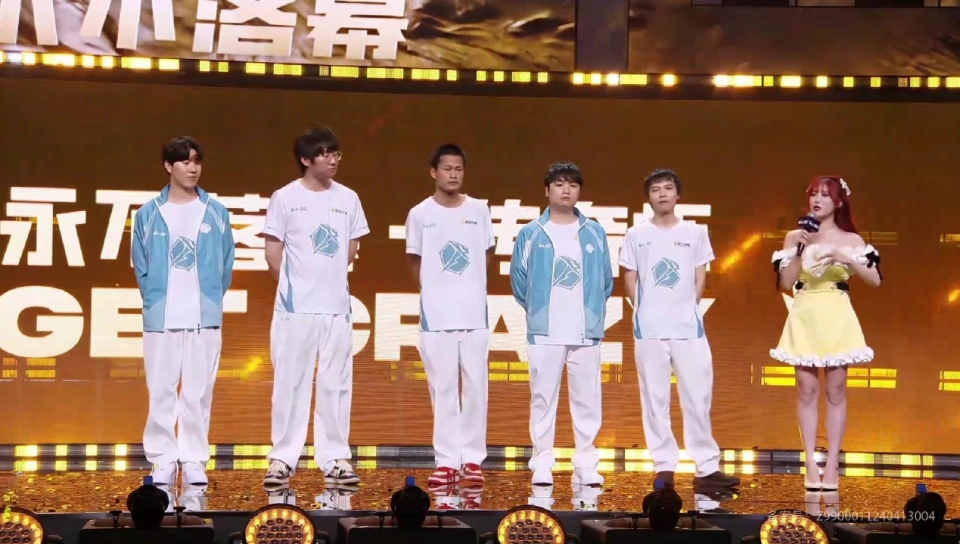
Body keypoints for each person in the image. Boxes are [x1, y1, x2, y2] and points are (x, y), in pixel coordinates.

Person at [261, 127, 369, 487]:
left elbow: (350, 249)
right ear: (306, 159)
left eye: (336, 153)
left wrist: (327, 282)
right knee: (290, 384)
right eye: (324, 153)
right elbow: (273, 253)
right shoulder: (285, 197)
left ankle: (335, 458)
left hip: (336, 308)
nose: (333, 159)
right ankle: (282, 458)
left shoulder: (348, 198)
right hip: (295, 309)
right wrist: (296, 288)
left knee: (336, 385)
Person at [619, 168, 739, 490]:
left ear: (677, 194)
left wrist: (688, 307)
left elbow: (700, 275)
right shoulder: (636, 234)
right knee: (654, 399)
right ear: (648, 197)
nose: (662, 193)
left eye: (668, 188)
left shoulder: (695, 232)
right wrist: (643, 309)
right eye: (656, 189)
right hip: (650, 328)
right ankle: (664, 467)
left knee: (697, 396)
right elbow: (629, 276)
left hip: (688, 327)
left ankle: (706, 467)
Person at [133, 136, 235, 487]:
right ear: (168, 166)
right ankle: (162, 459)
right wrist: (155, 302)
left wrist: (210, 300)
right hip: (161, 318)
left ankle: (193, 459)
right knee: (161, 391)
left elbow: (226, 264)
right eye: (185, 162)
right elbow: (141, 266)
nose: (193, 168)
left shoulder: (216, 211)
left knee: (197, 393)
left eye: (197, 161)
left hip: (203, 318)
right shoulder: (148, 214)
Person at [771, 175, 881, 491]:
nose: (817, 200)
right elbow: (785, 282)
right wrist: (799, 250)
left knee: (836, 391)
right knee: (806, 390)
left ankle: (832, 463)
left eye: (824, 195)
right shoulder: (795, 236)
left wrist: (848, 259)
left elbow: (875, 279)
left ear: (839, 202)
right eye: (813, 194)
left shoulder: (852, 240)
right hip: (805, 311)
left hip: (836, 312)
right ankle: (809, 461)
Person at [509, 162, 612, 487]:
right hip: (545, 331)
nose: (566, 190)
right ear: (547, 190)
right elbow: (519, 280)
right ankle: (542, 463)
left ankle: (586, 463)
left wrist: (592, 312)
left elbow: (606, 280)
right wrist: (538, 310)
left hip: (585, 329)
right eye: (559, 184)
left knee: (587, 400)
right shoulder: (531, 232)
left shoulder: (595, 231)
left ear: (579, 191)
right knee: (543, 399)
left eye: (572, 185)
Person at [404, 144, 494, 487]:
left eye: (459, 168)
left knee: (475, 388)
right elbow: (414, 260)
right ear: (434, 172)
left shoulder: (479, 210)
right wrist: (435, 293)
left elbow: (486, 254)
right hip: (436, 317)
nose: (453, 174)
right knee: (442, 389)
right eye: (447, 168)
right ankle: (445, 461)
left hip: (473, 315)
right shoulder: (420, 213)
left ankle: (471, 460)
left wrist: (469, 289)